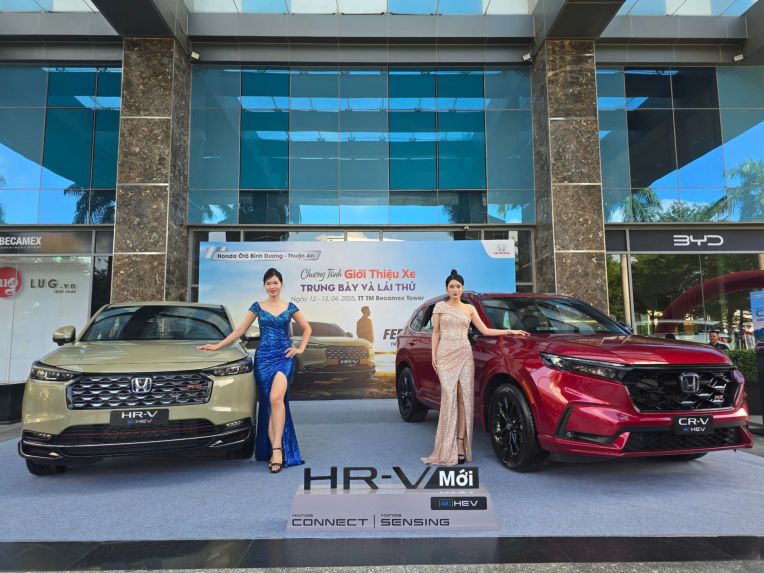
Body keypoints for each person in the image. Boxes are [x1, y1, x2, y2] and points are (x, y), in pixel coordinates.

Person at [198, 268, 311, 473]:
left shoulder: (290, 307)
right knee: (269, 403)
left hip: (284, 357)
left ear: (281, 284)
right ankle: (274, 448)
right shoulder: (257, 306)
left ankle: (277, 450)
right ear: (264, 286)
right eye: (268, 283)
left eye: (275, 282)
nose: (272, 286)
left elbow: (307, 328)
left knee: (276, 398)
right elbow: (240, 330)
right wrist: (217, 345)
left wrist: (300, 348)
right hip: (264, 358)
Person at [422, 269, 529, 466]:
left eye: (458, 286)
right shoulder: (440, 307)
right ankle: (446, 447)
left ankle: (460, 445)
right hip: (445, 356)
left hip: (464, 354)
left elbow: (485, 330)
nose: (455, 290)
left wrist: (511, 331)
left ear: (462, 288)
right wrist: (433, 356)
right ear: (446, 288)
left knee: (464, 400)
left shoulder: (469, 309)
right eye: (452, 286)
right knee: (449, 398)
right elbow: (435, 332)